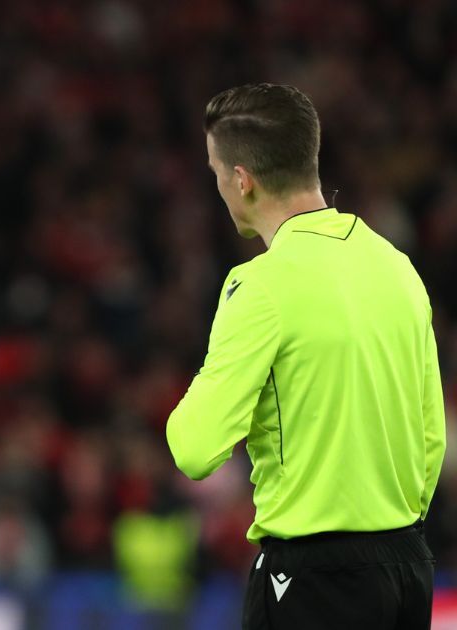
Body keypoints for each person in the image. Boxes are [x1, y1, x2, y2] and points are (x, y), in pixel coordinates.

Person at [166, 84, 445, 629]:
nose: (218, 187)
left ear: (242, 180)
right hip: (408, 565)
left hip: (313, 575)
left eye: (215, 171)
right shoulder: (396, 266)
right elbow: (430, 436)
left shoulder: (260, 286)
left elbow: (195, 448)